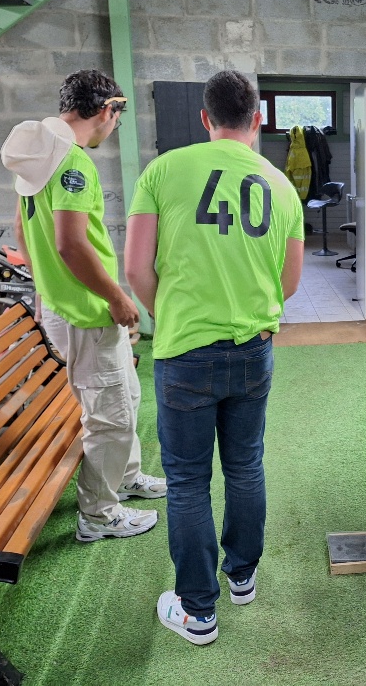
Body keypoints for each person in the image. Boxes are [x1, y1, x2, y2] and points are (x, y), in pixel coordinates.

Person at [124, 70, 304, 646]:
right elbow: (289, 283)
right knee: (246, 466)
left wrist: (171, 314)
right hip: (253, 350)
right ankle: (242, 577)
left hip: (184, 353)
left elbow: (135, 268)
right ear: (257, 120)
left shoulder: (163, 171)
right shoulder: (281, 186)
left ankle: (198, 611)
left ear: (205, 118)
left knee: (187, 480)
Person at [3, 69, 166, 545]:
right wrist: (117, 297)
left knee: (125, 398)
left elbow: (21, 229)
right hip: (87, 312)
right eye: (117, 116)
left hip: (65, 305)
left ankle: (125, 478)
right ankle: (99, 514)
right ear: (107, 110)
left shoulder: (40, 154)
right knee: (109, 416)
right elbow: (71, 244)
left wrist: (45, 284)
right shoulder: (73, 163)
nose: (114, 126)